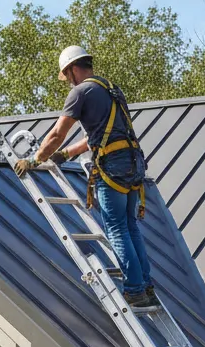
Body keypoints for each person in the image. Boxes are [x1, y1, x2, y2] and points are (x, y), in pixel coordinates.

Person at [14, 45, 157, 309]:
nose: (68, 82)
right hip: (132, 163)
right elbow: (99, 137)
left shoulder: (80, 92)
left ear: (71, 70)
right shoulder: (111, 89)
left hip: (113, 167)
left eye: (67, 76)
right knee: (129, 226)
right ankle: (145, 287)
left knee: (117, 228)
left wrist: (35, 159)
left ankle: (135, 290)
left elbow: (57, 134)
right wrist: (66, 154)